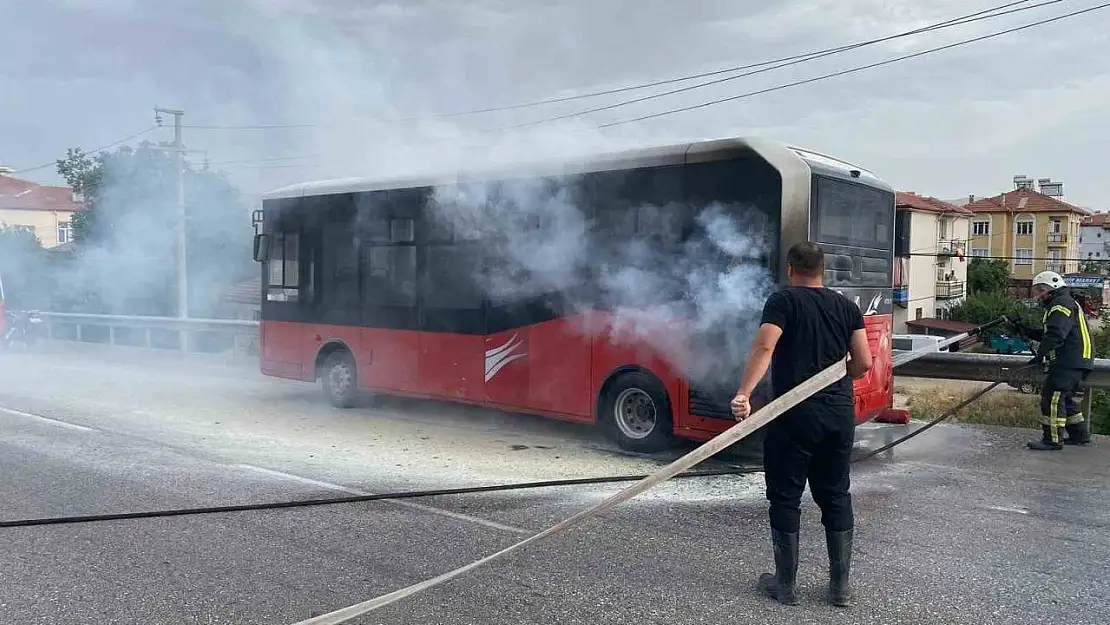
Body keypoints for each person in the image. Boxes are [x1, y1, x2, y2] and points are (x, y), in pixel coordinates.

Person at [730, 241, 873, 607]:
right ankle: (840, 589)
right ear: (822, 270)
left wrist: (744, 394)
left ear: (791, 269)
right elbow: (863, 363)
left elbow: (764, 348)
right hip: (839, 415)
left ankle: (786, 585)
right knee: (836, 494)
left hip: (794, 415)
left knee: (785, 496)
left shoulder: (783, 301)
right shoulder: (846, 306)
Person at [1008, 271, 1094, 450]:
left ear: (1050, 289)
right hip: (1075, 360)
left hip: (1068, 361)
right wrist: (1025, 330)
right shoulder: (1062, 303)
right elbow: (1049, 334)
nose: (1038, 296)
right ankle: (1079, 434)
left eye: (1040, 291)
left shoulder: (1061, 305)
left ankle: (1052, 440)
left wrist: (1040, 357)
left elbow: (1055, 335)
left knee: (1052, 398)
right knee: (1064, 398)